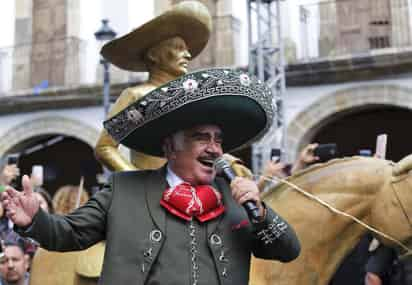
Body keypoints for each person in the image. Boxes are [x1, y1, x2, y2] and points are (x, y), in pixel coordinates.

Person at [1, 68, 300, 284]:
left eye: (218, 139)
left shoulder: (236, 199)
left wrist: (260, 212)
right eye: (201, 138)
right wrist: (34, 221)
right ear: (170, 147)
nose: (214, 149)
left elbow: (288, 250)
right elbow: (69, 233)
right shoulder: (124, 190)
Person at [95, 0, 212, 171]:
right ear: (153, 55)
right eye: (179, 48)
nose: (187, 55)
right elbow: (104, 147)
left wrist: (231, 163)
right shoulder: (136, 95)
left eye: (186, 49)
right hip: (153, 194)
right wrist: (140, 183)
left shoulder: (191, 97)